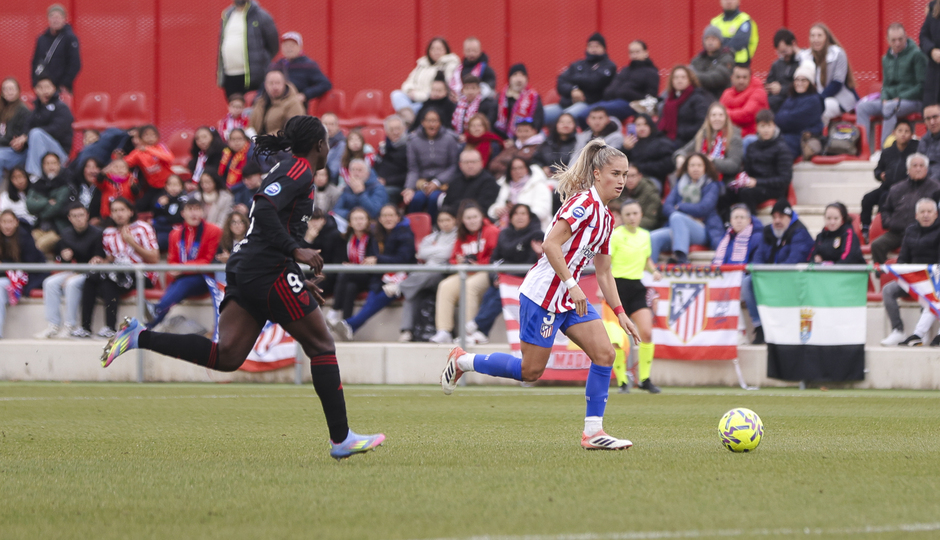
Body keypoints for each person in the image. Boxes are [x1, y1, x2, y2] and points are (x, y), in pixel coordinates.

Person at [101, 115, 386, 460]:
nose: (327, 147)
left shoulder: (290, 168)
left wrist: (294, 272)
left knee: (228, 356)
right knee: (322, 344)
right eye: (325, 142)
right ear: (318, 145)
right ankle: (341, 438)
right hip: (266, 270)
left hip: (252, 267)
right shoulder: (297, 169)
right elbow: (264, 207)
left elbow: (269, 221)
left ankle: (137, 336)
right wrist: (294, 253)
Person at [440, 140, 641, 451]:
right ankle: (464, 360)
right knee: (530, 371)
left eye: (625, 175)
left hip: (569, 296)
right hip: (544, 294)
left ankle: (593, 432)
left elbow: (603, 272)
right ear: (597, 173)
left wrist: (621, 312)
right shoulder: (582, 205)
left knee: (605, 354)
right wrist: (573, 283)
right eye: (615, 173)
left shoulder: (607, 218)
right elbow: (550, 246)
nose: (621, 181)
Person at [329, 204, 416, 340]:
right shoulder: (380, 234)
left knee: (382, 295)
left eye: (391, 215)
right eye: (385, 216)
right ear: (380, 219)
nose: (388, 219)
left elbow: (403, 259)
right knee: (368, 291)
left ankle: (349, 324)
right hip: (383, 277)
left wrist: (378, 259)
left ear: (398, 217)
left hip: (402, 277)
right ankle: (349, 326)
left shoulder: (405, 234)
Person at [78, 197, 159, 339]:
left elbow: (154, 258)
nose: (118, 214)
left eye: (122, 210)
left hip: (141, 274)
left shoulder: (142, 228)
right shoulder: (108, 232)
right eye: (114, 211)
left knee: (109, 280)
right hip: (117, 271)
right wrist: (100, 260)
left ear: (130, 211)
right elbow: (111, 258)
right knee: (91, 277)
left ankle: (110, 327)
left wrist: (131, 242)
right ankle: (85, 327)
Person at [464, 204, 544, 346]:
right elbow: (494, 259)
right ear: (511, 218)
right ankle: (481, 332)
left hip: (526, 282)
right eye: (516, 214)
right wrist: (496, 277)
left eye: (523, 213)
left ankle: (477, 324)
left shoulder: (537, 235)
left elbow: (535, 264)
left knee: (498, 295)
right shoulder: (504, 234)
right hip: (505, 279)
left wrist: (507, 276)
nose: (519, 217)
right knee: (492, 293)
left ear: (529, 217)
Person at [610, 199, 663, 393]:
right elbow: (606, 264)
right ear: (622, 217)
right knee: (617, 338)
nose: (632, 218)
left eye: (635, 213)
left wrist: (654, 270)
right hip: (617, 288)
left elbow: (647, 259)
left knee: (647, 333)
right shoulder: (615, 236)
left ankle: (645, 379)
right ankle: (623, 380)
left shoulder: (645, 236)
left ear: (641, 215)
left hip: (636, 287)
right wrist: (603, 287)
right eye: (628, 214)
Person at [428, 201, 500, 344]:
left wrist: (479, 264)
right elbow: (453, 257)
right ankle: (444, 331)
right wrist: (460, 261)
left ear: (481, 217)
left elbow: (497, 256)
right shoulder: (461, 234)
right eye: (468, 218)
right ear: (462, 220)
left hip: (485, 271)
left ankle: (468, 331)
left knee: (470, 286)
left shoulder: (492, 231)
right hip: (466, 271)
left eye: (475, 217)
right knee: (445, 286)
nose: (472, 221)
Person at [147, 199, 222, 329]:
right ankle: (148, 325)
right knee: (176, 288)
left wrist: (182, 268)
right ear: (183, 213)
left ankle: (153, 314)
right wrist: (175, 269)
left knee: (181, 284)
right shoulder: (175, 234)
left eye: (197, 209)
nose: (194, 213)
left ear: (202, 212)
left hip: (205, 278)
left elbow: (207, 260)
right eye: (190, 209)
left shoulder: (213, 230)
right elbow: (172, 261)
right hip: (183, 277)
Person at [748, 200, 814, 344]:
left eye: (781, 217)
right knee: (748, 282)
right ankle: (760, 326)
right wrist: (761, 274)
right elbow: (758, 256)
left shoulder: (799, 232)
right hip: (771, 277)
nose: (777, 221)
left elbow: (793, 261)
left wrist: (769, 276)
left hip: (792, 279)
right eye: (774, 217)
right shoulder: (767, 232)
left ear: (789, 218)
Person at [33, 203, 100, 338]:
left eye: (81, 215)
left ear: (87, 215)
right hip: (74, 271)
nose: (78, 219)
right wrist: (65, 256)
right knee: (49, 283)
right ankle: (53, 325)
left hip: (92, 273)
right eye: (74, 216)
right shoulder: (66, 234)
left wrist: (77, 273)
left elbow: (98, 260)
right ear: (69, 218)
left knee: (71, 284)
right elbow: (64, 259)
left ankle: (70, 325)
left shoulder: (98, 233)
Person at [880, 198, 940, 347]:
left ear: (936, 214)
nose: (926, 215)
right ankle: (897, 330)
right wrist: (903, 276)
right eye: (922, 212)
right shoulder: (910, 230)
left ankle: (921, 334)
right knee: (888, 290)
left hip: (933, 278)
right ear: (916, 215)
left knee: (929, 293)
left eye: (929, 212)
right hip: (912, 277)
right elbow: (902, 259)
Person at [855, 24, 926, 146]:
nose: (897, 43)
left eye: (900, 39)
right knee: (862, 107)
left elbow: (922, 85)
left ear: (906, 37)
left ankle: (885, 151)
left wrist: (901, 97)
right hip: (893, 101)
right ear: (888, 40)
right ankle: (863, 150)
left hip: (913, 101)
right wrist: (884, 99)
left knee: (889, 108)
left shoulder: (917, 55)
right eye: (893, 40)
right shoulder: (886, 59)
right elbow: (886, 86)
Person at [650, 153, 725, 263]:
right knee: (653, 237)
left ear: (705, 167)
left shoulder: (711, 185)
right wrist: (682, 212)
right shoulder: (680, 184)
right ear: (687, 168)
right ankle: (649, 275)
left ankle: (680, 256)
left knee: (677, 216)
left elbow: (703, 208)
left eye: (699, 165)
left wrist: (681, 206)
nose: (696, 168)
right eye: (692, 165)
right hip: (678, 228)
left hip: (702, 229)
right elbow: (667, 207)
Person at [397, 208, 458, 343]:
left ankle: (399, 287)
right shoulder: (432, 237)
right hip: (426, 274)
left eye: (448, 220)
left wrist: (433, 251)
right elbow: (421, 253)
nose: (444, 223)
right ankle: (406, 331)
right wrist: (438, 251)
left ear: (455, 220)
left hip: (444, 274)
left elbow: (447, 253)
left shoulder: (458, 236)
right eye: (441, 220)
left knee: (426, 275)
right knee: (413, 291)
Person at [873, 153, 940, 263]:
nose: (918, 169)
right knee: (876, 245)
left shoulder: (937, 188)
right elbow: (885, 209)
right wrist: (890, 223)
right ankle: (885, 275)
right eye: (914, 165)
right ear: (908, 169)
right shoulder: (896, 188)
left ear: (927, 169)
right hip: (896, 233)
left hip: (926, 232)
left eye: (921, 166)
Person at [574, 40, 660, 127]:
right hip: (610, 101)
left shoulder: (651, 72)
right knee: (581, 115)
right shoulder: (625, 70)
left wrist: (627, 93)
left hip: (630, 105)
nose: (634, 55)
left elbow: (650, 98)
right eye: (631, 52)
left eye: (637, 52)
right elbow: (612, 87)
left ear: (646, 52)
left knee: (588, 115)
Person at [0, 77, 73, 178]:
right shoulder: (36, 109)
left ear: (54, 88)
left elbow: (57, 130)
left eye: (47, 87)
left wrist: (26, 137)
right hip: (30, 151)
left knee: (36, 133)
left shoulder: (61, 107)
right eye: (41, 88)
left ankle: (35, 176)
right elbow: (27, 128)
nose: (45, 91)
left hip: (59, 152)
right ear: (35, 90)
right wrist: (21, 142)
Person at [544, 33, 617, 126]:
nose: (594, 49)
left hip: (587, 104)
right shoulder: (577, 64)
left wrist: (573, 79)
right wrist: (573, 90)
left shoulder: (609, 65)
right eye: (591, 46)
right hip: (565, 104)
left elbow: (594, 82)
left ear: (604, 48)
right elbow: (560, 82)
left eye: (597, 46)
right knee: (539, 115)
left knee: (566, 118)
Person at [863, 121, 917, 241]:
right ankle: (865, 229)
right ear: (894, 133)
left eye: (907, 131)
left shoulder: (915, 150)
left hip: (905, 189)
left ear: (911, 134)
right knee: (867, 198)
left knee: (885, 198)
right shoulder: (887, 152)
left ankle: (881, 230)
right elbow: (877, 169)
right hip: (886, 186)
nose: (903, 134)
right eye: (900, 131)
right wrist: (879, 175)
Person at [733, 109, 793, 212]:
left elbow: (785, 179)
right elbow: (747, 171)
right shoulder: (752, 147)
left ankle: (751, 223)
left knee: (746, 193)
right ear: (757, 128)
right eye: (762, 126)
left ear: (774, 126)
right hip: (753, 184)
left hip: (774, 189)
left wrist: (757, 182)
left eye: (769, 126)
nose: (766, 130)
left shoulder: (782, 148)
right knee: (729, 191)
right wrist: (742, 179)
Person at [797, 23, 858, 124]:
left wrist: (818, 99)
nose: (816, 39)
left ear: (826, 37)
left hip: (838, 98)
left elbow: (837, 83)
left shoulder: (838, 53)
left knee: (821, 110)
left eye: (819, 35)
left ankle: (817, 137)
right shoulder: (805, 56)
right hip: (814, 98)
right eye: (813, 36)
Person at [403, 109, 460, 216]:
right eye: (429, 121)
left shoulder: (449, 139)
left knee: (434, 199)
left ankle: (435, 227)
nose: (432, 124)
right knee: (416, 199)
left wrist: (437, 182)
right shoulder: (413, 141)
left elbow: (453, 166)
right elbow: (413, 169)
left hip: (444, 183)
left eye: (435, 121)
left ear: (440, 122)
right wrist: (409, 188)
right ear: (422, 122)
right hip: (423, 182)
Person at [217, 0, 278, 98]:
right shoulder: (227, 15)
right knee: (236, 111)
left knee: (252, 110)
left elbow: (273, 45)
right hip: (230, 74)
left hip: (252, 76)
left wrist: (260, 62)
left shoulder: (261, 15)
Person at [0, 210, 46, 339]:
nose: (7, 226)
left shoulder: (25, 238)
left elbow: (30, 265)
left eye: (10, 222)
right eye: (4, 222)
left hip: (25, 279)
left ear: (16, 223)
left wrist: (4, 264)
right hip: (5, 277)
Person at [324, 207, 373, 324]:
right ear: (350, 223)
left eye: (361, 218)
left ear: (367, 221)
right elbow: (341, 259)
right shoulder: (346, 238)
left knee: (345, 273)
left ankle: (335, 309)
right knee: (350, 287)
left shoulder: (373, 238)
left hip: (369, 275)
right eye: (355, 219)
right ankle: (347, 324)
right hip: (353, 277)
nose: (359, 221)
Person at [391, 37, 460, 120]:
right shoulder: (422, 64)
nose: (436, 52)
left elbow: (441, 89)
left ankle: (404, 121)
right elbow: (408, 82)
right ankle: (408, 119)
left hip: (428, 101)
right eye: (433, 49)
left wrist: (417, 95)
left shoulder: (449, 65)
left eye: (439, 49)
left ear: (446, 50)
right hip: (412, 97)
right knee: (396, 94)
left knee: (414, 109)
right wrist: (410, 91)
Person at [673, 101, 743, 181]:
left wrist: (711, 160)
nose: (717, 119)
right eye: (713, 115)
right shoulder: (702, 135)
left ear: (726, 118)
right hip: (699, 177)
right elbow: (683, 151)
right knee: (681, 178)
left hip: (722, 180)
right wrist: (679, 157)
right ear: (708, 118)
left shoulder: (733, 137)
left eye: (721, 115)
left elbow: (734, 165)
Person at [26, 152, 74, 255]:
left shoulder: (66, 184)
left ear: (59, 165)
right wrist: (47, 202)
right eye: (47, 163)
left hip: (58, 230)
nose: (51, 166)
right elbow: (30, 205)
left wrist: (41, 212)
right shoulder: (38, 184)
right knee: (25, 243)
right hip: (40, 227)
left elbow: (58, 207)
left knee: (38, 247)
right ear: (43, 166)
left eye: (53, 163)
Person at [268, 31, 332, 107]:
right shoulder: (276, 65)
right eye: (285, 45)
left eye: (292, 46)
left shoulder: (308, 65)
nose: (288, 48)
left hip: (296, 106)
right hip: (275, 104)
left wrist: (305, 95)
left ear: (300, 47)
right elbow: (264, 85)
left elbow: (325, 84)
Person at [775, 64, 825, 158]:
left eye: (803, 80)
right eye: (797, 80)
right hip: (786, 136)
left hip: (801, 140)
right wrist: (787, 117)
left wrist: (785, 117)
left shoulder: (814, 100)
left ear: (810, 82)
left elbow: (796, 122)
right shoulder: (791, 98)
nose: (799, 83)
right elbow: (778, 119)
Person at [489, 157, 552, 231]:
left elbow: (543, 211)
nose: (518, 171)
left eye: (521, 168)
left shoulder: (539, 185)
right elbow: (495, 206)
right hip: (508, 229)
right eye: (514, 169)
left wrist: (518, 211)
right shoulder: (505, 186)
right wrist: (497, 210)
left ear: (527, 169)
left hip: (536, 229)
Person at [658, 65, 714, 149]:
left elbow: (702, 124)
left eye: (683, 77)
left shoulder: (698, 98)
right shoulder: (669, 100)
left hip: (688, 142)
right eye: (676, 78)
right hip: (670, 139)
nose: (679, 80)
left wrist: (680, 131)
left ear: (690, 80)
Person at [31, 4, 81, 94]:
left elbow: (75, 64)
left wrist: (64, 84)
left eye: (58, 17)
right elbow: (35, 61)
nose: (55, 20)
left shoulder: (70, 38)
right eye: (52, 17)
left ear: (64, 19)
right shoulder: (41, 39)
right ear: (48, 19)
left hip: (61, 88)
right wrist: (35, 83)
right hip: (43, 87)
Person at [123, 124, 175, 211]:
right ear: (141, 138)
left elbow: (170, 158)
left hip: (167, 186)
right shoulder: (138, 152)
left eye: (153, 135)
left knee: (158, 206)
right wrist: (116, 158)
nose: (150, 137)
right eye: (146, 135)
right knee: (139, 207)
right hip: (152, 187)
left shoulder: (161, 147)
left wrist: (149, 149)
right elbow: (125, 163)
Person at [441, 149, 500, 215]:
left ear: (481, 163)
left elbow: (482, 207)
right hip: (452, 219)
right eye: (466, 162)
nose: (470, 166)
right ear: (460, 165)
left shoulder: (489, 182)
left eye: (473, 162)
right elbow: (446, 204)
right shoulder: (454, 181)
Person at [494, 63, 544, 139]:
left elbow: (538, 121)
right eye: (515, 75)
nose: (519, 79)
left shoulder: (534, 97)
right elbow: (493, 122)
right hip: (502, 138)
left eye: (522, 75)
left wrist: (515, 139)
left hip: (527, 137)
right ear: (509, 78)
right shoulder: (500, 97)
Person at [249, 70, 306, 136]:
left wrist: (265, 139)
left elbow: (292, 131)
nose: (275, 87)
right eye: (271, 83)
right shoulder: (260, 102)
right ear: (265, 85)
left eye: (278, 83)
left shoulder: (294, 103)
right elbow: (251, 126)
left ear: (284, 83)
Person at [622, 113, 675, 184]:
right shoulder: (631, 143)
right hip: (629, 178)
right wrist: (625, 149)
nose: (642, 128)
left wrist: (640, 168)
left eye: (645, 124)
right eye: (638, 125)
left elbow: (668, 164)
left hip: (651, 179)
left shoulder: (661, 142)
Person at [720, 64, 769, 139]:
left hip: (752, 137)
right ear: (732, 78)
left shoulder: (759, 92)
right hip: (729, 136)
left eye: (744, 77)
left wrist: (724, 114)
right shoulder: (727, 93)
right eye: (738, 77)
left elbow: (745, 115)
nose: (741, 81)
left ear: (750, 78)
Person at [691, 25, 735, 100]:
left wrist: (692, 77)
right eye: (707, 39)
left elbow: (717, 78)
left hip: (719, 99)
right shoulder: (697, 59)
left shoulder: (727, 58)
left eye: (713, 39)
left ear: (720, 41)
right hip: (700, 98)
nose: (710, 42)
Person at [374, 115, 409, 203]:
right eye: (391, 129)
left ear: (404, 128)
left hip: (399, 186)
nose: (395, 132)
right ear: (386, 131)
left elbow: (410, 173)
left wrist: (386, 181)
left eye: (398, 128)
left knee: (384, 192)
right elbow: (376, 167)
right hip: (380, 184)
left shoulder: (409, 147)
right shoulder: (383, 147)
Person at [711, 0, 758, 65]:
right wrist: (729, 40)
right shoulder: (715, 22)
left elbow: (739, 43)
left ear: (738, 1)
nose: (728, 1)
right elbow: (710, 44)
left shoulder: (744, 20)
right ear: (720, 2)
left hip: (739, 65)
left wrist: (721, 42)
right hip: (718, 65)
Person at [765, 28, 802, 113]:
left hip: (795, 101)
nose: (783, 56)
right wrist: (769, 88)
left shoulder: (803, 61)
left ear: (793, 44)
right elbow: (769, 82)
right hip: (776, 101)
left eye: (785, 51)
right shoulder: (776, 64)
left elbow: (804, 86)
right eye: (780, 52)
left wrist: (781, 89)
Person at [534, 113, 577, 177]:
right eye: (562, 122)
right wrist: (543, 167)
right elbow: (535, 160)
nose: (565, 125)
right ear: (556, 124)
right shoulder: (548, 143)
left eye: (569, 122)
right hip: (547, 179)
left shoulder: (579, 143)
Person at [151, 174, 186, 251]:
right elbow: (155, 214)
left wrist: (163, 220)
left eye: (176, 185)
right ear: (166, 186)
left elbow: (177, 218)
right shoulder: (162, 198)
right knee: (161, 240)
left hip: (179, 228)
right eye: (170, 185)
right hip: (163, 229)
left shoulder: (184, 200)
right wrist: (159, 205)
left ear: (182, 186)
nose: (173, 188)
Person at [622, 165, 662, 230]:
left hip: (646, 229)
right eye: (626, 176)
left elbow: (651, 220)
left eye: (633, 176)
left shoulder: (650, 193)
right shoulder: (618, 189)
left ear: (639, 176)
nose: (630, 180)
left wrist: (625, 223)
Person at [0, 78, 30, 154]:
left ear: (18, 91)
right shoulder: (2, 108)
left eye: (12, 89)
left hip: (12, 149)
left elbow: (13, 137)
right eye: (5, 89)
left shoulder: (23, 110)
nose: (9, 92)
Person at [921, 1, 940, 105]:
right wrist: (931, 50)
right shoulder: (933, 8)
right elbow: (923, 36)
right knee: (933, 115)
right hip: (934, 74)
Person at [322, 112, 345, 181]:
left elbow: (334, 170)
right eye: (325, 124)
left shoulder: (342, 144)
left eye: (332, 124)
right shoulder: (315, 142)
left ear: (337, 126)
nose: (328, 127)